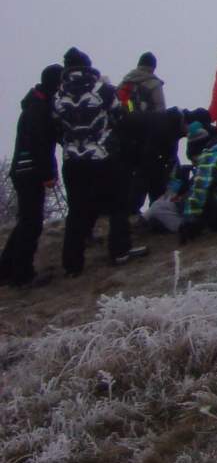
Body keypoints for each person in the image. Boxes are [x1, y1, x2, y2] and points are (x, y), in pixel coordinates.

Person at [53, 48, 146, 276]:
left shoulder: (58, 95)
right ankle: (119, 250)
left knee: (77, 210)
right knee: (117, 203)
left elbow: (55, 126)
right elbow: (119, 115)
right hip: (102, 155)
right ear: (87, 66)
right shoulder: (102, 89)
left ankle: (72, 264)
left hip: (72, 160)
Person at [3, 66, 63, 288]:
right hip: (30, 171)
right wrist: (48, 174)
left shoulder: (35, 104)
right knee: (32, 223)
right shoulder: (39, 108)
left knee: (26, 221)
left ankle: (6, 268)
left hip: (23, 170)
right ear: (56, 84)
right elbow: (40, 145)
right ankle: (22, 275)